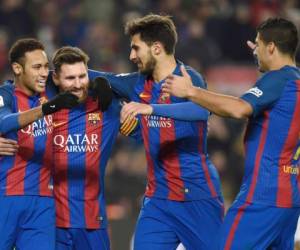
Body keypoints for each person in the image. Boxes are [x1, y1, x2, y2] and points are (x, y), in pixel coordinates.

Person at [162, 17, 300, 250]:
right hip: (290, 196)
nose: (254, 50)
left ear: (272, 47)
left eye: (257, 44)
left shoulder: (278, 79)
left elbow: (238, 108)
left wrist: (191, 91)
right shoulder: (295, 82)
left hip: (263, 195)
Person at [108, 14, 224, 250]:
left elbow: (202, 111)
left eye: (136, 48)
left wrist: (149, 109)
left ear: (157, 48)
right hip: (158, 199)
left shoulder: (189, 78)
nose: (131, 56)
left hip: (196, 195)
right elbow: (96, 78)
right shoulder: (137, 83)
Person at [0, 38, 78, 250]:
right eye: (36, 67)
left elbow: (77, 72)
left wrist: (102, 82)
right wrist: (47, 109)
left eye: (45, 66)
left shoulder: (50, 91)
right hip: (5, 197)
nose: (44, 73)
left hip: (42, 201)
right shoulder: (5, 95)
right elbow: (4, 121)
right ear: (17, 68)